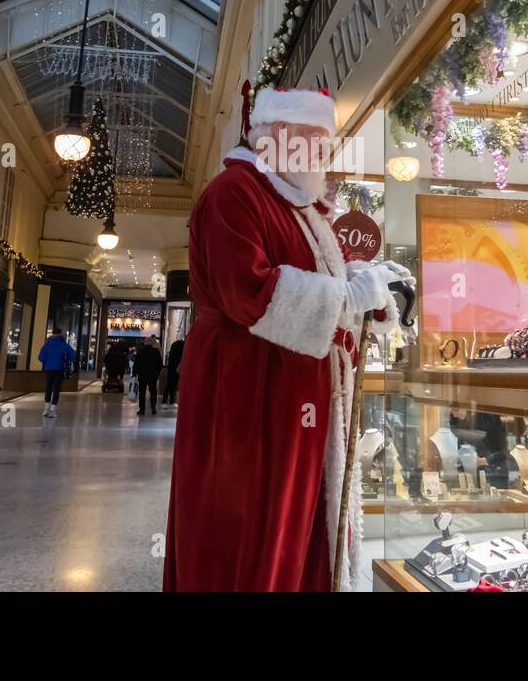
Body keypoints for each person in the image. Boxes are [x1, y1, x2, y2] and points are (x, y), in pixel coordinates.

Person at [163, 86, 412, 591]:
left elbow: (325, 286)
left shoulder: (302, 206)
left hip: (299, 405)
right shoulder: (233, 194)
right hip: (249, 400)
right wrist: (346, 297)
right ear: (278, 136)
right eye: (315, 139)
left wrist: (373, 292)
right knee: (252, 533)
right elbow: (250, 292)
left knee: (298, 531)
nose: (324, 152)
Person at [38, 329, 75, 418]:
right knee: (56, 389)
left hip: (48, 369)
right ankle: (52, 410)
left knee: (48, 387)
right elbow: (73, 356)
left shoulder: (46, 345)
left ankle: (46, 409)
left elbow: (41, 357)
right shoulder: (64, 345)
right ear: (60, 334)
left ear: (52, 334)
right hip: (59, 369)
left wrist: (48, 362)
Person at [134, 335, 164, 415]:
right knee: (153, 391)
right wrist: (157, 373)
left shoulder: (141, 351)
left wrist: (134, 373)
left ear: (145, 343)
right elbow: (160, 364)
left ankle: (142, 409)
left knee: (142, 392)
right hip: (153, 375)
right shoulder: (156, 352)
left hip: (142, 375)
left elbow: (136, 364)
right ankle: (153, 408)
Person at [162, 337, 184, 406]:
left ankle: (166, 401)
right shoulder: (181, 346)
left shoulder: (175, 346)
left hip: (172, 368)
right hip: (176, 368)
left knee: (169, 384)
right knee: (172, 385)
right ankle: (170, 401)